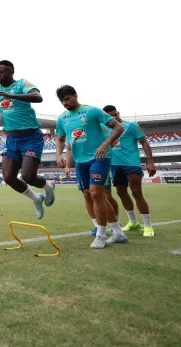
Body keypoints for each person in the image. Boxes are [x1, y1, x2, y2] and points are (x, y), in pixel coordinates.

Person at [0, 60, 55, 219]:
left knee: (28, 176)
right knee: (8, 177)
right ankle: (36, 199)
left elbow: (38, 97)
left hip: (31, 137)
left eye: (2, 72)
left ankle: (48, 188)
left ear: (11, 71)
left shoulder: (21, 84)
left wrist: (12, 96)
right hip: (12, 138)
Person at [54, 85, 128, 249]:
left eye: (66, 99)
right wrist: (58, 155)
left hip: (99, 157)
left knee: (96, 193)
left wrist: (105, 144)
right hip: (81, 162)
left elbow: (119, 127)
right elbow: (60, 139)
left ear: (75, 96)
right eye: (61, 101)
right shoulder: (62, 119)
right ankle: (118, 232)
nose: (64, 103)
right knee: (89, 194)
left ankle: (101, 236)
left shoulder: (92, 111)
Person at [103, 105, 156, 237]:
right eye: (110, 116)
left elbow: (144, 142)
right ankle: (133, 222)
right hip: (115, 165)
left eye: (115, 114)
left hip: (131, 163)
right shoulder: (104, 129)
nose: (113, 117)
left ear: (118, 113)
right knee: (121, 192)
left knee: (136, 192)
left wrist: (150, 162)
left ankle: (148, 226)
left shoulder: (131, 126)